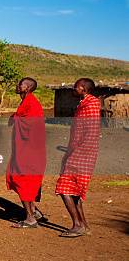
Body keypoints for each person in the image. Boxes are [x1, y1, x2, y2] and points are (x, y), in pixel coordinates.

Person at [55, 78, 101, 237]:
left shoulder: (92, 104)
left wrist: (74, 153)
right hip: (77, 151)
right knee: (73, 189)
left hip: (83, 152)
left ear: (83, 89)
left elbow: (91, 132)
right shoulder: (84, 104)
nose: (73, 90)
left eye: (75, 87)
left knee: (64, 188)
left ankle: (77, 225)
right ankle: (84, 225)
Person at [6, 77, 46, 228]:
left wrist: (15, 118)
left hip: (30, 150)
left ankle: (30, 218)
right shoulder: (25, 102)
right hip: (24, 149)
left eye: (20, 84)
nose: (17, 86)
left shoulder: (31, 103)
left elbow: (31, 125)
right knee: (17, 177)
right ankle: (33, 211)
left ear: (27, 88)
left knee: (22, 180)